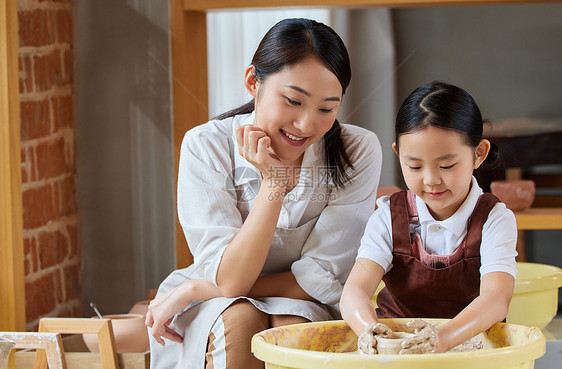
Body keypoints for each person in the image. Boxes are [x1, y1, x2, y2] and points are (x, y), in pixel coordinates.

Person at [145, 18, 382, 369]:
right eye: (292, 101)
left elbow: (320, 278)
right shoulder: (206, 145)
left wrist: (198, 287)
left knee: (293, 327)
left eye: (326, 109)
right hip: (220, 301)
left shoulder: (358, 149)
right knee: (239, 321)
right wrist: (274, 185)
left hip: (301, 300)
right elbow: (230, 279)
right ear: (253, 82)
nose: (306, 125)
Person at [340, 81, 518, 354]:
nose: (431, 180)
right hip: (396, 352)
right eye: (415, 166)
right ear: (398, 154)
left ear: (478, 154)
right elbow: (355, 290)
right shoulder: (388, 216)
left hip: (470, 350)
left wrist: (441, 339)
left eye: (447, 165)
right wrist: (369, 330)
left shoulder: (495, 219)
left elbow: (496, 299)